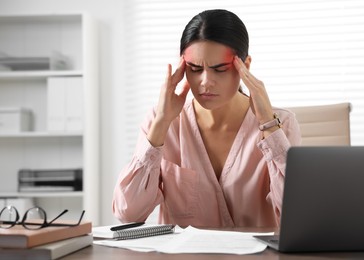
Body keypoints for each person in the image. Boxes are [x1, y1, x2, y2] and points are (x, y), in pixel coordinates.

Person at [112, 9, 301, 228]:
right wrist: (162, 123)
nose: (205, 82)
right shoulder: (162, 122)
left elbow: (298, 214)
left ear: (245, 66)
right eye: (194, 69)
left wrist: (268, 124)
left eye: (219, 69)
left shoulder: (281, 123)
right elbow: (128, 213)